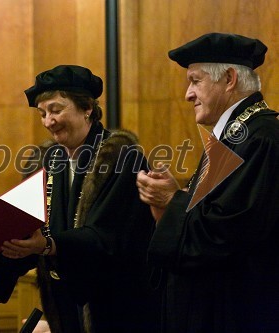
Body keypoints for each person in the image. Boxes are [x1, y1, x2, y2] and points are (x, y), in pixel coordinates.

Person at [0, 65, 161, 333]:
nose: (48, 121)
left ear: (87, 108)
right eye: (42, 113)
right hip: (62, 302)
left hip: (117, 303)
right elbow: (26, 226)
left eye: (56, 110)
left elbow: (111, 236)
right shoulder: (45, 161)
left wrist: (49, 245)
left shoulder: (121, 157)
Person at [136, 33, 279, 332]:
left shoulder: (260, 137)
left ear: (228, 78)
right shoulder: (235, 133)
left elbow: (228, 232)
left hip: (237, 312)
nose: (188, 94)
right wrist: (172, 203)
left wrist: (172, 200)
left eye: (195, 80)